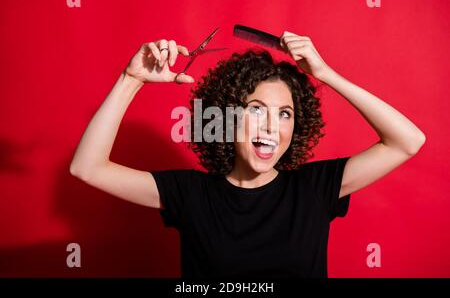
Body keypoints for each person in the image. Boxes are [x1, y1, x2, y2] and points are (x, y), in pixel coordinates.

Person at [69, 31, 426, 278]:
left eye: (284, 114)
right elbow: (87, 168)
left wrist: (325, 73)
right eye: (256, 109)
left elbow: (407, 141)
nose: (272, 126)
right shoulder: (190, 194)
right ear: (225, 118)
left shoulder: (315, 189)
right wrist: (131, 79)